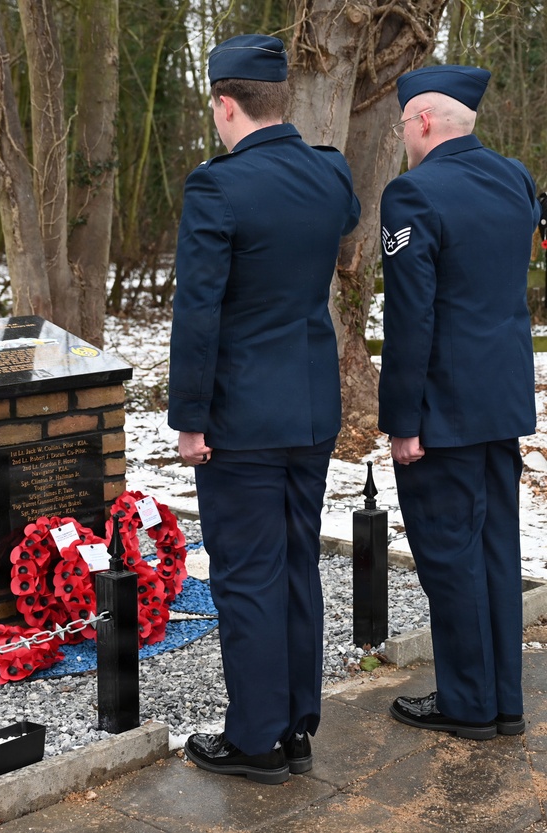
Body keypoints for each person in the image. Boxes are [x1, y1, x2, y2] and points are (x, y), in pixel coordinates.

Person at [167, 34, 360, 784]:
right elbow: (341, 224)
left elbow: (199, 311)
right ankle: (296, 726)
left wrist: (190, 416)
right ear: (280, 101)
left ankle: (254, 740)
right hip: (311, 407)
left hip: (242, 416)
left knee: (248, 574)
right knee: (294, 566)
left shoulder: (217, 188)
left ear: (226, 104)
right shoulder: (329, 174)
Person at [379, 65, 539, 740]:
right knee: (497, 550)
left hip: (442, 411)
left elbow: (412, 319)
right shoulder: (517, 179)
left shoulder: (413, 193)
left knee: (449, 553)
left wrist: (402, 421)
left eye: (402, 125)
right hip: (500, 401)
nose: (402, 137)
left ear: (422, 121)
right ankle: (503, 698)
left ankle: (469, 703)